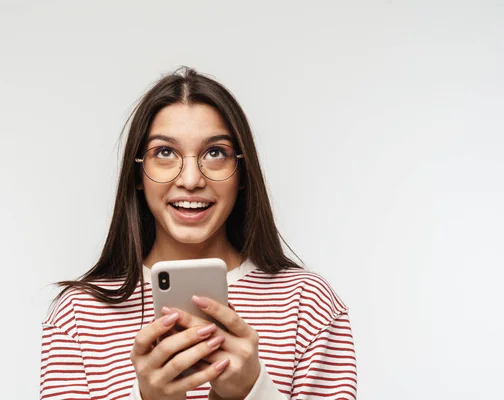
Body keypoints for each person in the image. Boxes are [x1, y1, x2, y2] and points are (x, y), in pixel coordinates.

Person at [40, 67, 357, 400]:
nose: (191, 179)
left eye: (215, 153)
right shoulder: (78, 315)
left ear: (242, 172)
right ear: (138, 174)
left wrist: (252, 391)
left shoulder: (308, 304)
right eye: (164, 152)